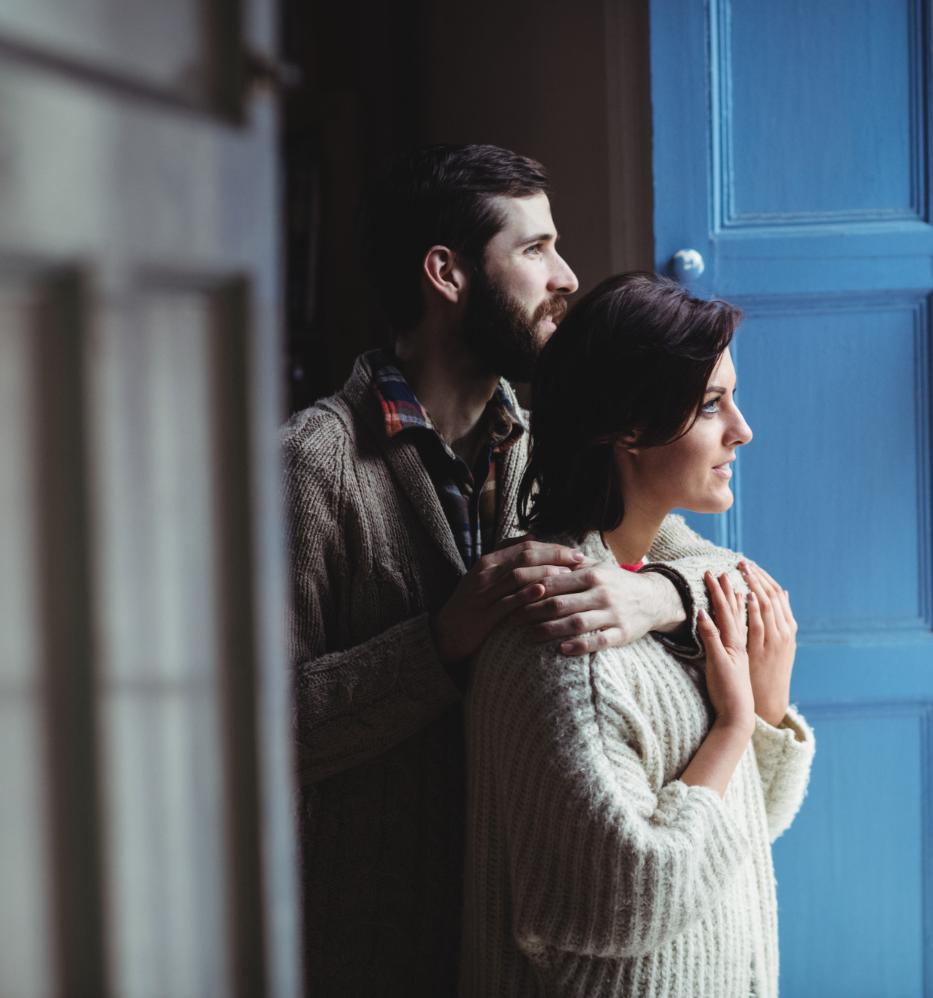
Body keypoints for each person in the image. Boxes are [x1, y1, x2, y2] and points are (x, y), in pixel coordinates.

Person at [282, 146, 751, 996]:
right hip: (371, 947)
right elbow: (253, 737)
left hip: (514, 934)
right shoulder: (310, 468)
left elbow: (726, 571)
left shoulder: (542, 442)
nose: (566, 276)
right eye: (534, 250)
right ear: (446, 274)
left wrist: (655, 591)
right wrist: (440, 643)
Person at [460, 272, 814, 998]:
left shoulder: (659, 590)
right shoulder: (567, 644)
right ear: (629, 426)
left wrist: (766, 714)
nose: (741, 429)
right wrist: (735, 727)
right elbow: (633, 894)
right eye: (712, 404)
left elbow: (742, 830)